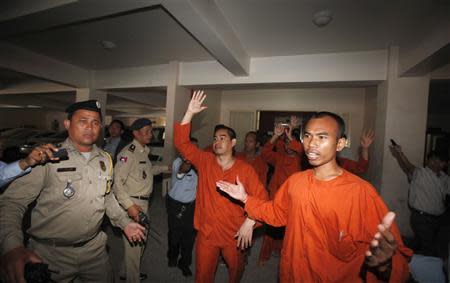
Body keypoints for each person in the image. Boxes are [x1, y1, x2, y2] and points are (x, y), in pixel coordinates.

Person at [217, 111, 412, 282]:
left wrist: (386, 267)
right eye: (308, 136)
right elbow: (276, 213)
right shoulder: (296, 182)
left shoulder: (361, 192)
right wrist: (245, 199)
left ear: (340, 143)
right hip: (292, 273)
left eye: (322, 137)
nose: (312, 144)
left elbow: (396, 259)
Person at [0, 100, 145, 283]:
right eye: (83, 121)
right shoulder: (48, 157)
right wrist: (12, 247)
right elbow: (12, 202)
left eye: (95, 122)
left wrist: (125, 223)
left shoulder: (105, 159)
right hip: (51, 254)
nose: (89, 127)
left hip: (95, 251)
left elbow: (106, 197)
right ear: (67, 124)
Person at [174, 90, 268, 283]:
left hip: (234, 234)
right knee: (203, 275)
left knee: (235, 272)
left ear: (233, 143)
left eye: (222, 138)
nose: (217, 141)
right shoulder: (205, 160)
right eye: (215, 138)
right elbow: (182, 143)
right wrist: (189, 113)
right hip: (207, 233)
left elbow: (264, 200)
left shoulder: (246, 169)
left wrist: (250, 222)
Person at [113, 118, 169, 283]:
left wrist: (168, 168)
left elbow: (149, 170)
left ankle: (125, 272)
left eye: (151, 131)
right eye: (147, 131)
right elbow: (117, 184)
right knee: (135, 246)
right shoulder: (127, 154)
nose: (151, 134)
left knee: (139, 243)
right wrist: (130, 207)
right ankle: (132, 278)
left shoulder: (143, 151)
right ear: (136, 133)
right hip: (133, 204)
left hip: (144, 203)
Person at [390, 144, 449, 257]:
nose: (432, 162)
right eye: (431, 159)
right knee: (429, 248)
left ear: (443, 163)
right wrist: (400, 153)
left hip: (439, 219)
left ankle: (403, 254)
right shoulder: (421, 173)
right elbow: (408, 167)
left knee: (421, 243)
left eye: (438, 160)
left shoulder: (445, 178)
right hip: (421, 218)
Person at [258, 118, 303, 265]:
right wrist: (276, 136)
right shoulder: (279, 157)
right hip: (275, 197)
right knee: (271, 228)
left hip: (292, 200)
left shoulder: (301, 160)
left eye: (292, 142)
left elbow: (303, 150)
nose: (289, 144)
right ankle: (264, 255)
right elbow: (264, 153)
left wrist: (290, 136)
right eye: (287, 142)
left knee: (289, 229)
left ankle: (281, 252)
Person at [167, 137, 199, 277]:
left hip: (192, 206)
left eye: (195, 149)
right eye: (191, 148)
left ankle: (184, 263)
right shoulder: (178, 162)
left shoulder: (200, 165)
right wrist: (189, 160)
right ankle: (172, 255)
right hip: (175, 204)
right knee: (175, 235)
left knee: (189, 237)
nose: (194, 151)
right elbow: (181, 171)